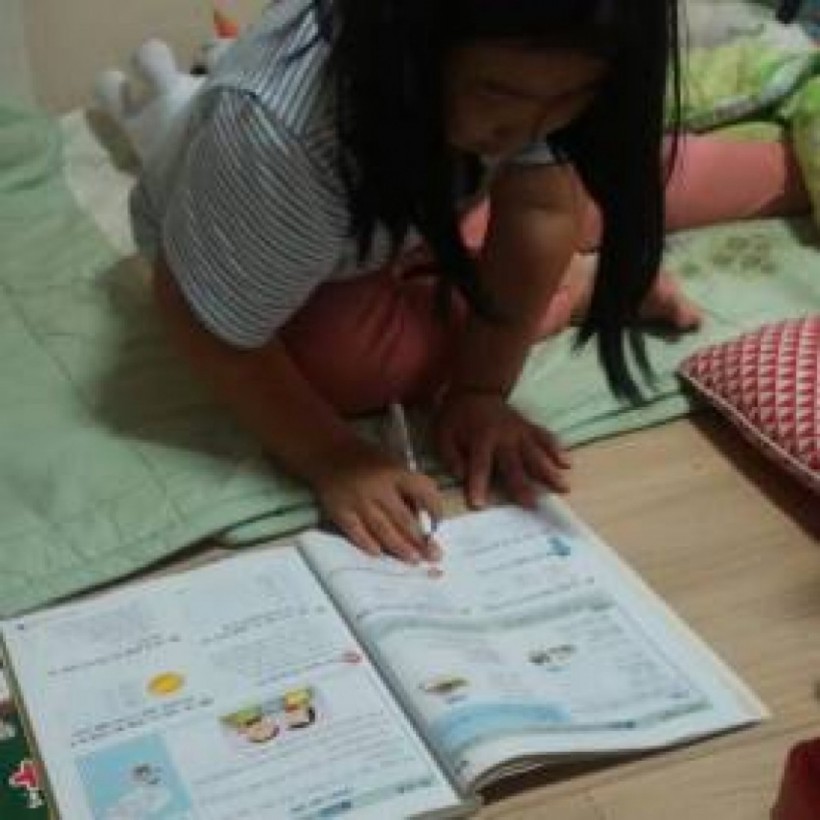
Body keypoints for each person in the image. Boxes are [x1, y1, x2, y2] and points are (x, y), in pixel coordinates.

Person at [130, 0, 808, 566]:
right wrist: (335, 458)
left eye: (573, 94)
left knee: (607, 183)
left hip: (429, 201)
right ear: (410, 49)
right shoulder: (282, 139)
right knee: (336, 364)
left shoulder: (530, 76)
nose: (533, 124)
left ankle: (789, 168)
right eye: (500, 93)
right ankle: (578, 286)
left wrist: (482, 389)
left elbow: (541, 208)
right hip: (285, 243)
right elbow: (194, 313)